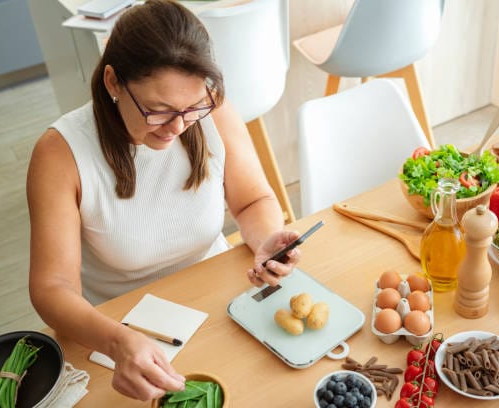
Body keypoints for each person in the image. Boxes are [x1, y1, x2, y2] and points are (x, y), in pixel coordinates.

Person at [26, 0, 300, 401]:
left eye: (192, 107)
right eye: (158, 110)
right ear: (113, 82)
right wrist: (118, 342)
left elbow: (252, 201)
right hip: (119, 328)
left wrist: (264, 241)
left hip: (220, 302)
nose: (178, 126)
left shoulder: (211, 112)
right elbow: (52, 288)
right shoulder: (60, 153)